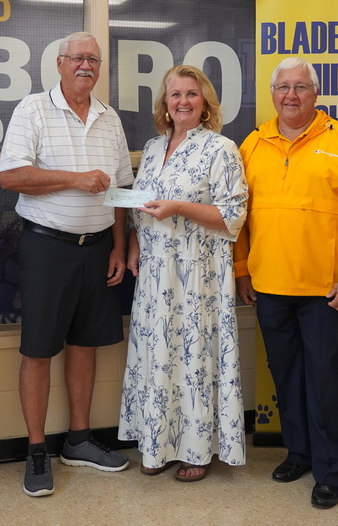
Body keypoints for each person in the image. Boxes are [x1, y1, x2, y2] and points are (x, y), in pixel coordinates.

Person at [235, 57, 338, 509]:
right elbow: (239, 214)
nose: (291, 95)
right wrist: (242, 268)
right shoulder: (253, 144)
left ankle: (330, 470)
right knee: (287, 377)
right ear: (273, 93)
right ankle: (298, 452)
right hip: (269, 286)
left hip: (325, 289)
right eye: (283, 87)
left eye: (300, 86)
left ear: (315, 93)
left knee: (324, 382)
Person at [0, 32, 134, 497]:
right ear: (58, 64)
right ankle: (37, 449)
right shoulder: (32, 109)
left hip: (97, 249)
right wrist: (76, 180)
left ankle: (78, 439)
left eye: (93, 60)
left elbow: (119, 191)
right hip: (46, 248)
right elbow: (11, 176)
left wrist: (118, 247)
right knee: (38, 350)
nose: (86, 66)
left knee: (85, 344)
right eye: (78, 58)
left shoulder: (109, 117)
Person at [119, 65, 249, 482]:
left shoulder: (221, 148)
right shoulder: (153, 148)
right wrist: (136, 242)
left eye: (191, 94)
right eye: (175, 95)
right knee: (159, 356)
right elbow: (142, 203)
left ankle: (197, 450)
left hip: (198, 276)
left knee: (193, 359)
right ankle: (158, 443)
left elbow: (233, 215)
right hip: (156, 275)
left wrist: (179, 207)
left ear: (205, 102)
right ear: (165, 104)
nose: (183, 102)